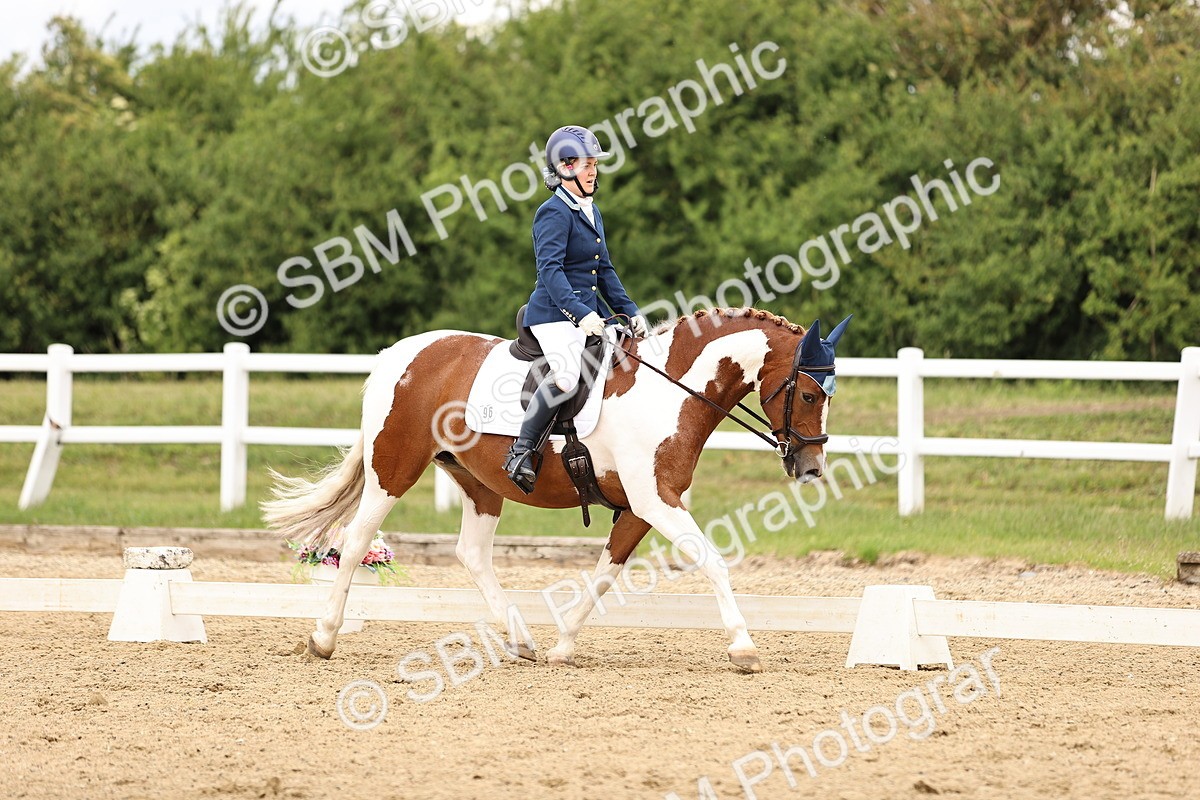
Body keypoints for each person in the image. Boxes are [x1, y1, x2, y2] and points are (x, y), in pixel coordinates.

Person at [503, 125, 648, 493]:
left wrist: (630, 310)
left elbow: (605, 271)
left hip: (590, 315)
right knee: (567, 376)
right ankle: (520, 452)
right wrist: (580, 314)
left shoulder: (590, 210)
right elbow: (549, 271)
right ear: (565, 167)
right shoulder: (552, 213)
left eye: (595, 164)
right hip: (554, 315)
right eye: (587, 165)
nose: (593, 171)